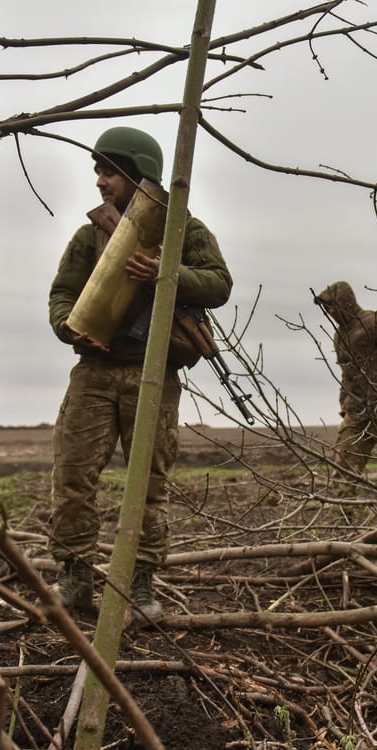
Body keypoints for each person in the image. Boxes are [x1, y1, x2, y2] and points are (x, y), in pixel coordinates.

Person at [48, 126, 232, 621]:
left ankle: (142, 584)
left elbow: (219, 284)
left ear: (135, 173)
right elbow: (62, 294)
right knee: (72, 475)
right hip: (94, 372)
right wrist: (68, 328)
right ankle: (73, 577)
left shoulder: (183, 231)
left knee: (148, 482)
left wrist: (165, 272)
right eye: (98, 172)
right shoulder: (92, 235)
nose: (100, 182)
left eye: (109, 171)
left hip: (154, 372)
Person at [314, 281, 377, 489]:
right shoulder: (340, 335)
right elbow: (347, 372)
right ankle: (342, 518)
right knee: (343, 474)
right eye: (327, 308)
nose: (330, 312)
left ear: (345, 303)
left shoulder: (376, 322)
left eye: (333, 306)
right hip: (358, 412)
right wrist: (344, 401)